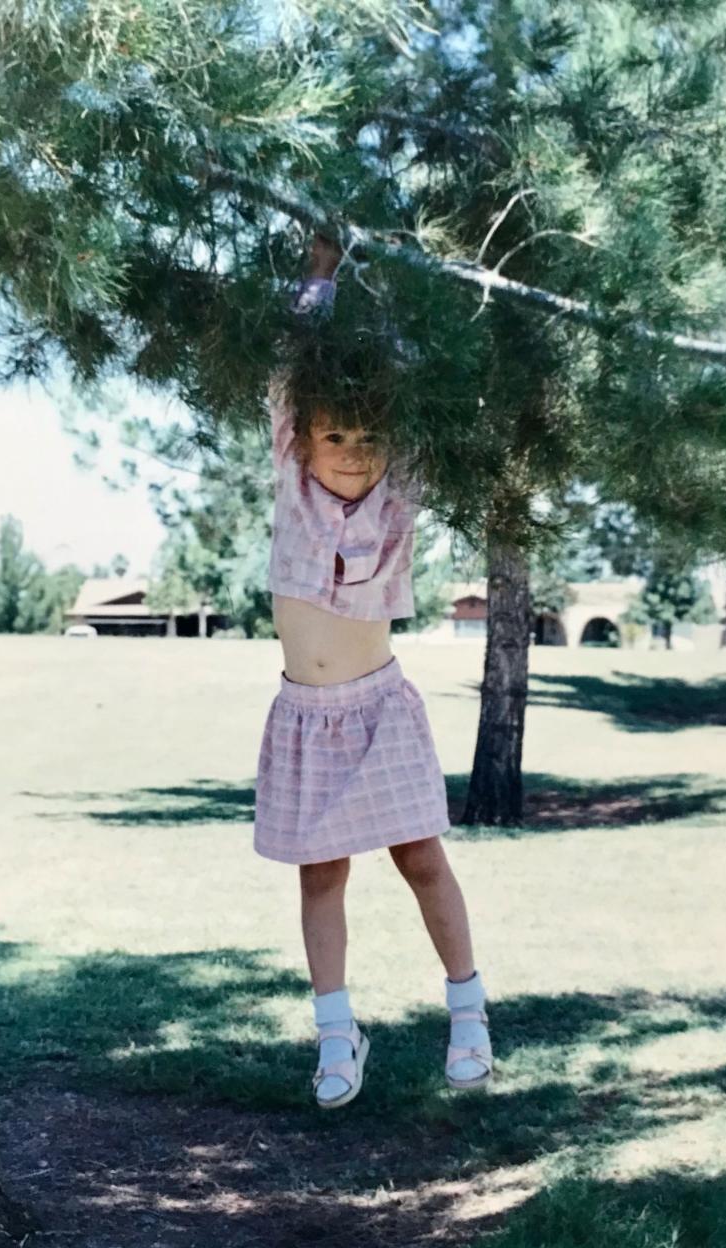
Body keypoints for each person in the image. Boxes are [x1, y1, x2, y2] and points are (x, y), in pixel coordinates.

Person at [254, 233, 493, 1109]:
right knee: (322, 874)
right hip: (304, 715)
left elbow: (419, 393)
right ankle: (335, 1032)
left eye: (368, 435)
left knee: (422, 860)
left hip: (380, 710)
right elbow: (286, 380)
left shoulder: (398, 493)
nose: (352, 451)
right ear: (305, 443)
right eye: (333, 435)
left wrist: (396, 287)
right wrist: (317, 282)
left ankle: (467, 1010)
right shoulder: (293, 488)